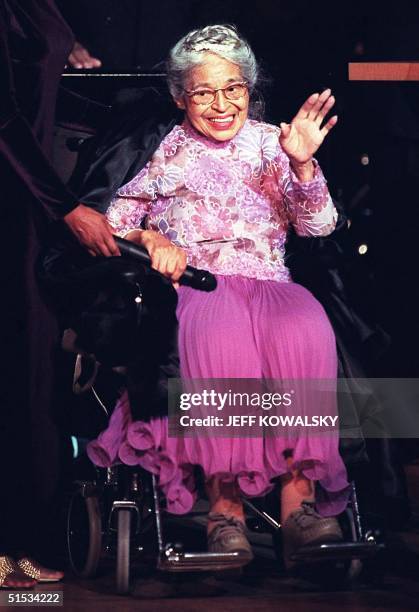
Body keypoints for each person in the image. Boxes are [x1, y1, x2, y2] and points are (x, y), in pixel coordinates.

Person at [86, 24, 349, 565]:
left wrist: (301, 163)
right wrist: (149, 235)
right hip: (199, 284)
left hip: (271, 282)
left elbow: (319, 227)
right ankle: (224, 513)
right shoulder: (162, 149)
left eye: (234, 88)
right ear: (181, 96)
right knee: (222, 341)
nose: (222, 104)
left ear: (249, 89)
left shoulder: (273, 143)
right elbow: (111, 224)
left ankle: (299, 508)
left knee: (305, 329)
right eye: (204, 92)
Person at [0, 0, 120, 589]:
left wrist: (60, 48)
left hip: (27, 203)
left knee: (29, 364)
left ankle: (18, 542)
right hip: (17, 201)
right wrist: (66, 207)